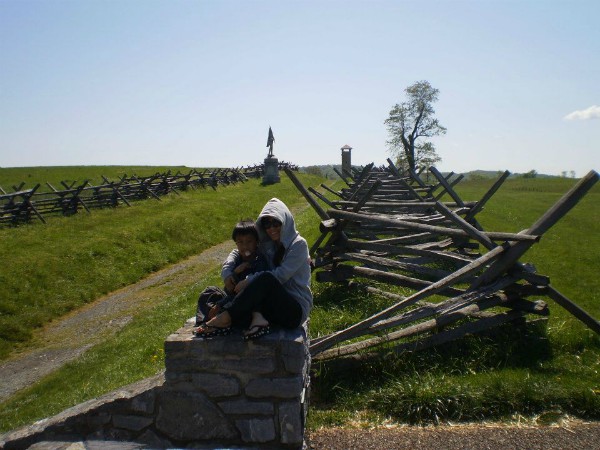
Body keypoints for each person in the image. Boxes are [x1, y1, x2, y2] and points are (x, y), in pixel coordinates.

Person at [195, 198, 312, 340]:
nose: (271, 228)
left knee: (266, 279)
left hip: (294, 310)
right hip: (270, 306)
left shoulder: (298, 244)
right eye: (267, 224)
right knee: (213, 294)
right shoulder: (269, 244)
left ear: (285, 220)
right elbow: (238, 251)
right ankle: (234, 319)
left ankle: (225, 318)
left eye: (276, 222)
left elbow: (281, 275)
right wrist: (227, 273)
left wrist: (249, 280)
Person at [193, 219, 268, 329]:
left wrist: (220, 304)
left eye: (249, 241)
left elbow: (242, 294)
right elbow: (229, 288)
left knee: (239, 308)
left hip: (246, 304)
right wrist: (234, 273)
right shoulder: (237, 259)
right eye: (240, 242)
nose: (245, 246)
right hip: (230, 299)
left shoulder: (259, 261)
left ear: (257, 242)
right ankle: (205, 321)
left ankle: (219, 321)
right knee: (209, 292)